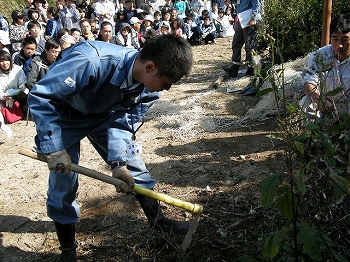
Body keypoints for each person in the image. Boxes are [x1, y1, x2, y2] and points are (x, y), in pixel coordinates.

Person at [27, 34, 193, 262]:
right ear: (151, 67)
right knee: (63, 181)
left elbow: (123, 122)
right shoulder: (90, 61)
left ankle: (158, 222)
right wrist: (54, 149)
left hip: (104, 116)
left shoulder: (148, 88)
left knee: (135, 169)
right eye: (168, 82)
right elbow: (42, 96)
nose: (168, 89)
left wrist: (118, 163)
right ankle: (68, 250)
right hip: (64, 116)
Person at [300, 12, 350, 117]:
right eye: (335, 39)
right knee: (306, 104)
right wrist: (320, 100)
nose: (339, 45)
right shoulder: (320, 56)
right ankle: (315, 131)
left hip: (347, 106)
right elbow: (309, 82)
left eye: (345, 40)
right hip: (326, 103)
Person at [223, 0, 261, 78]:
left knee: (250, 46)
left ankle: (252, 69)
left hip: (249, 17)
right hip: (241, 18)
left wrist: (254, 17)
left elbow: (256, 3)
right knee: (236, 43)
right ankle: (235, 67)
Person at [0, 50, 27, 137]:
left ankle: (22, 109)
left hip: (17, 93)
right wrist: (4, 96)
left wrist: (17, 93)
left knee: (24, 94)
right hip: (4, 97)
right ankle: (2, 124)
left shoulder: (17, 69)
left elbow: (22, 84)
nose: (4, 63)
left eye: (6, 60)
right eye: (1, 61)